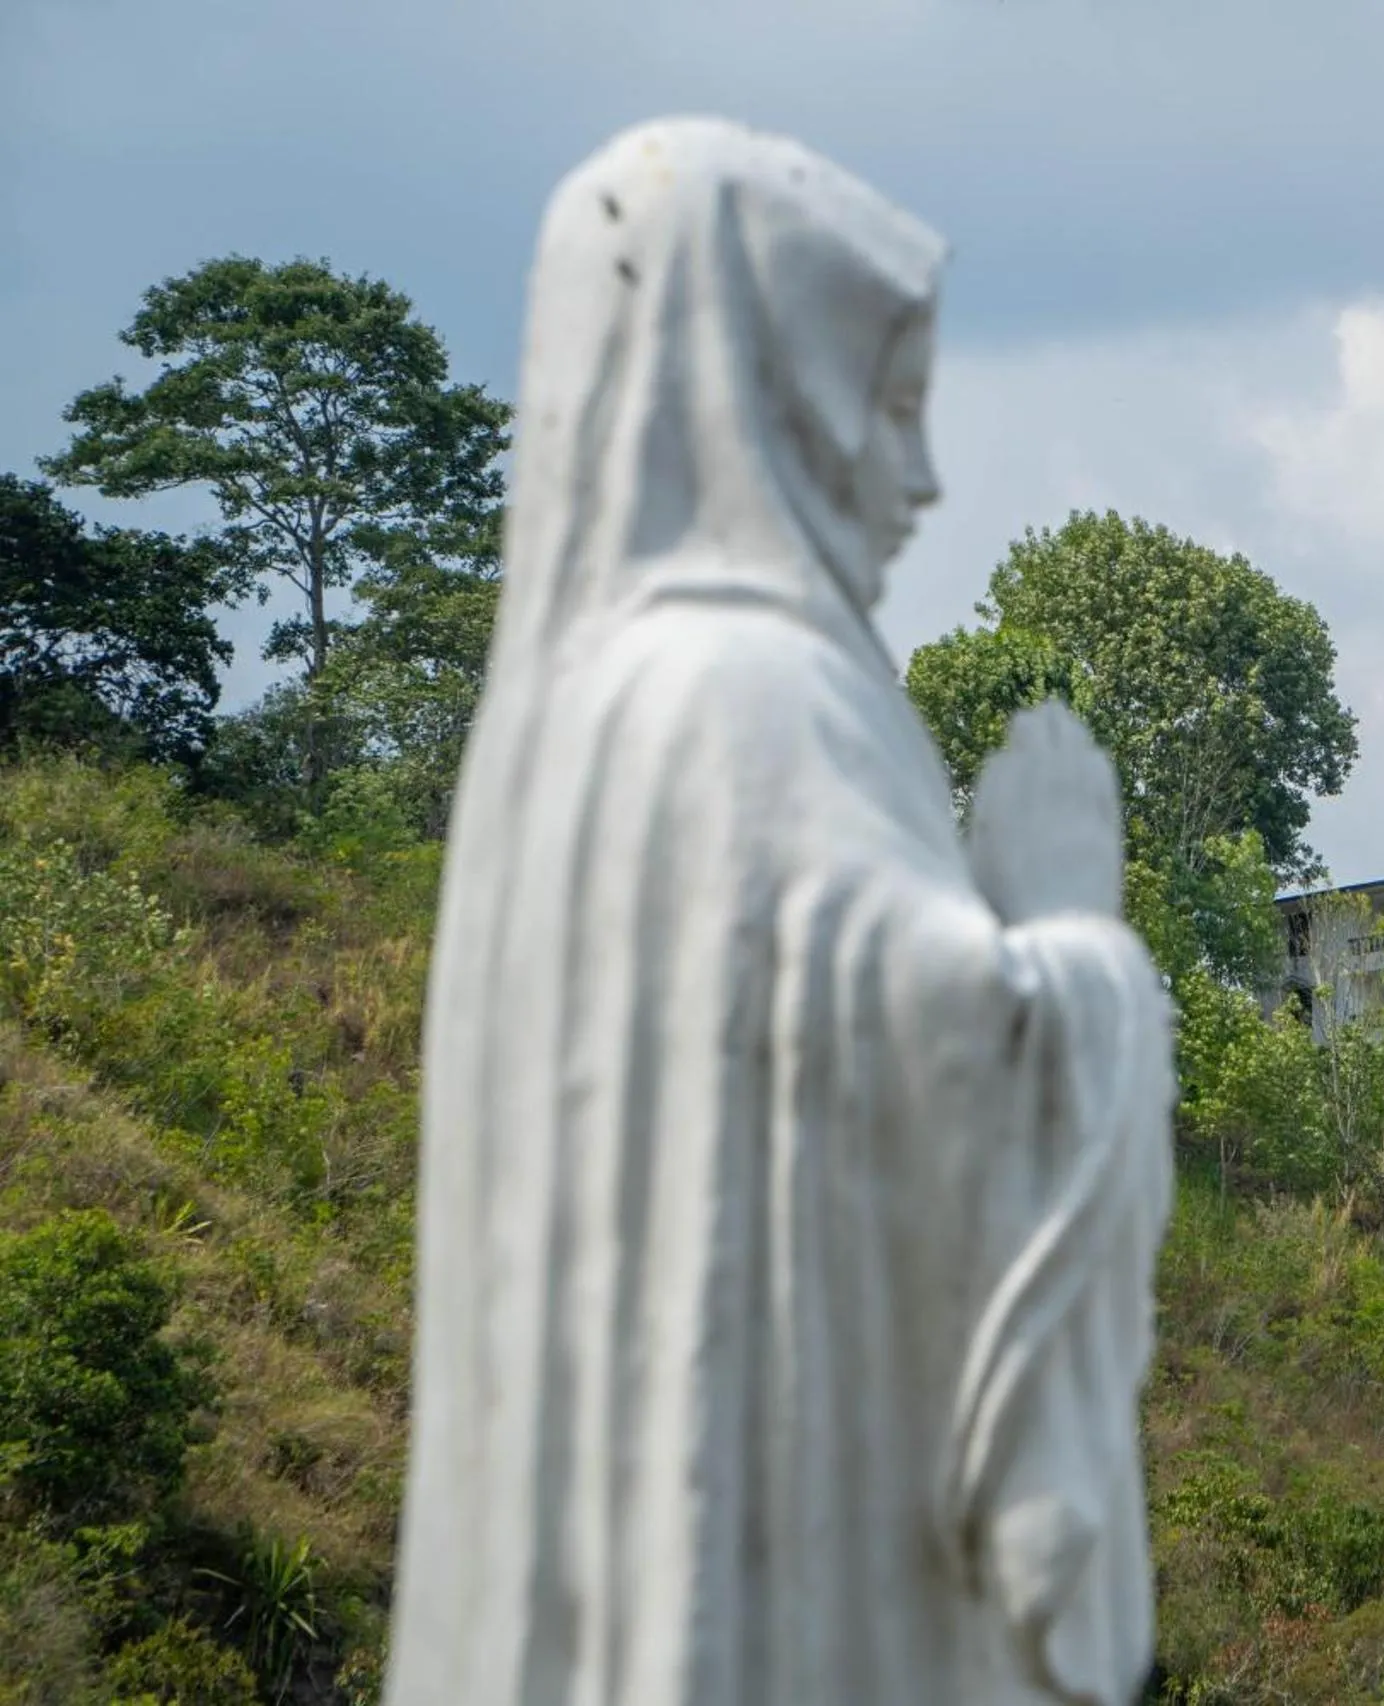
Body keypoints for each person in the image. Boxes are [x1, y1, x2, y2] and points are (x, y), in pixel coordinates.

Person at [384, 116, 1173, 1706]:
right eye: (889, 410)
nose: (923, 476)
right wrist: (1074, 934)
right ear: (767, 407)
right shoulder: (751, 686)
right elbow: (937, 1046)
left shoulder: (573, 714)